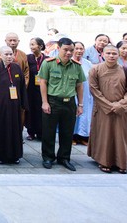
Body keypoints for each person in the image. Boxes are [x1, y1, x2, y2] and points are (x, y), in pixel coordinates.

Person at [87, 44, 127, 174]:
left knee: (120, 136)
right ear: (102, 55)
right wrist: (108, 105)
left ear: (118, 55)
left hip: (120, 110)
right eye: (108, 53)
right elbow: (94, 89)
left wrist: (120, 105)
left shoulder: (126, 71)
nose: (111, 56)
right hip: (102, 109)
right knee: (104, 135)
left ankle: (121, 162)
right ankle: (104, 161)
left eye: (114, 54)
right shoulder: (95, 69)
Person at [38, 37, 85, 171]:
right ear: (58, 48)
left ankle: (64, 158)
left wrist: (80, 105)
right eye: (66, 50)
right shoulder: (48, 63)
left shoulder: (76, 66)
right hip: (53, 101)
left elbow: (80, 85)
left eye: (71, 50)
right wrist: (45, 102)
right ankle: (48, 157)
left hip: (69, 103)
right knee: (49, 131)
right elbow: (43, 83)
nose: (69, 53)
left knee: (67, 132)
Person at [0, 46, 28, 164]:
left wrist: (24, 103)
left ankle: (15, 155)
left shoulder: (17, 68)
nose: (9, 57)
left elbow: (21, 87)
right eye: (6, 54)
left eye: (11, 54)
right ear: (0, 56)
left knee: (15, 129)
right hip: (0, 107)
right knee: (1, 129)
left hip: (15, 106)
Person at [72, 41, 95, 145]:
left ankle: (83, 136)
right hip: (72, 93)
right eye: (76, 48)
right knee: (73, 115)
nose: (79, 51)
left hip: (86, 94)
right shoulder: (69, 62)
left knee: (85, 115)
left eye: (81, 49)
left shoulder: (87, 63)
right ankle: (72, 136)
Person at [26, 38, 46, 141]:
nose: (31, 47)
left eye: (33, 44)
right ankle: (31, 132)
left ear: (40, 46)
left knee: (41, 109)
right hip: (30, 88)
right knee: (31, 109)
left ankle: (41, 132)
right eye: (30, 44)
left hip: (43, 88)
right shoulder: (27, 58)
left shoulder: (47, 59)